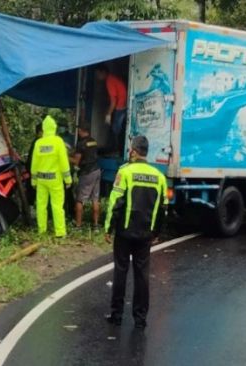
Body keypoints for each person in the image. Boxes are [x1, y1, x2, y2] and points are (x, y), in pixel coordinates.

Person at [104, 136, 167, 329]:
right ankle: (140, 319)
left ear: (134, 151)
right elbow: (162, 208)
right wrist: (156, 232)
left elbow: (115, 202)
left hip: (124, 233)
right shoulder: (159, 177)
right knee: (142, 275)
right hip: (145, 234)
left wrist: (109, 228)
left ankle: (116, 315)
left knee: (121, 271)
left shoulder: (126, 173)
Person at [31, 115, 72, 238]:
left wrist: (34, 181)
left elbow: (34, 163)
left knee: (41, 205)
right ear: (54, 128)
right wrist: (68, 179)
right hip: (55, 180)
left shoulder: (38, 143)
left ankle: (41, 229)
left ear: (43, 128)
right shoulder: (58, 141)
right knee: (57, 206)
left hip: (41, 179)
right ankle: (60, 232)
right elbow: (64, 162)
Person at [70, 126, 101, 228]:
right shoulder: (93, 141)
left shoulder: (81, 143)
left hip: (87, 173)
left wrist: (64, 156)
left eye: (79, 130)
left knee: (80, 200)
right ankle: (96, 225)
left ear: (82, 130)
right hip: (97, 170)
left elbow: (76, 161)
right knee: (95, 199)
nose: (78, 132)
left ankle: (78, 225)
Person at [95, 64, 127, 155]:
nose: (97, 77)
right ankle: (117, 149)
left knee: (115, 130)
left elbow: (113, 100)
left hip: (120, 107)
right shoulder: (113, 79)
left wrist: (108, 114)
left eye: (98, 74)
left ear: (103, 72)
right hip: (123, 106)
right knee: (117, 130)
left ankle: (115, 150)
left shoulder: (109, 81)